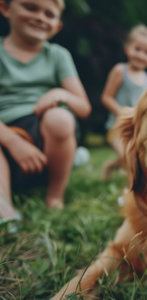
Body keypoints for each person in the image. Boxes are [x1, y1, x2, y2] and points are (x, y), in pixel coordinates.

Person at [0, 0, 91, 223]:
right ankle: (6, 211)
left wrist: (61, 94)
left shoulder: (58, 55)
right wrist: (13, 141)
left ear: (57, 26)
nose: (40, 17)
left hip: (42, 131)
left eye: (49, 14)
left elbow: (83, 107)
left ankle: (55, 197)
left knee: (60, 119)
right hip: (4, 131)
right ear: (5, 8)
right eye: (30, 7)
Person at [101, 24, 147, 180]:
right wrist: (121, 112)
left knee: (135, 158)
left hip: (135, 128)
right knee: (128, 157)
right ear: (127, 48)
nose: (141, 55)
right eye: (137, 49)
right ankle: (132, 188)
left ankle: (110, 166)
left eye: (146, 52)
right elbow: (106, 97)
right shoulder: (120, 71)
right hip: (116, 126)